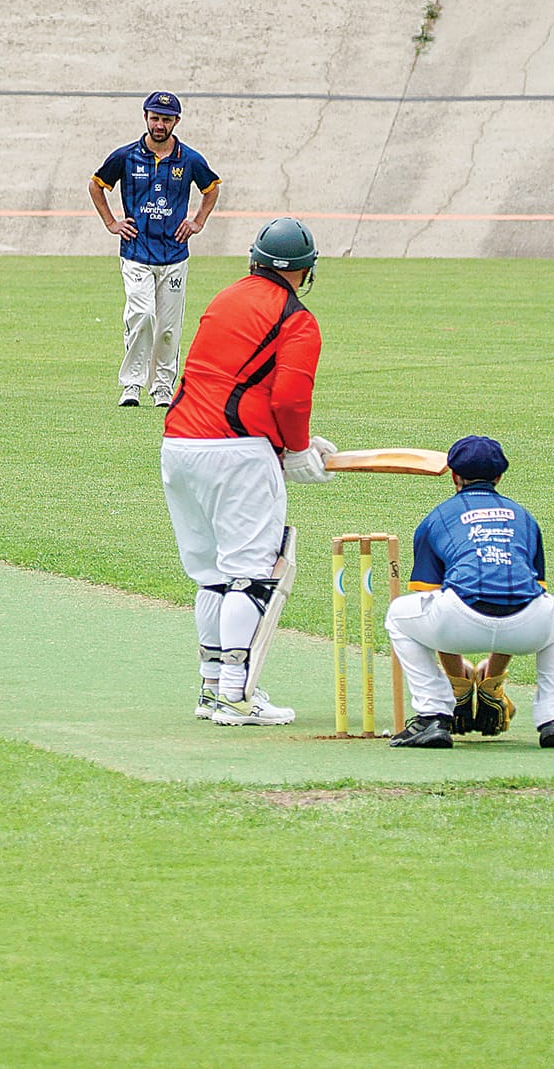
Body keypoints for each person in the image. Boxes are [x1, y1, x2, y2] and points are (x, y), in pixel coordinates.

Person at [161, 217, 338, 726]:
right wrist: (297, 450)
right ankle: (235, 694)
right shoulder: (297, 319)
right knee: (254, 574)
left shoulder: (225, 298)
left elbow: (230, 380)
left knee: (213, 576)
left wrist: (284, 447)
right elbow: (289, 395)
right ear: (304, 271)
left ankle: (213, 686)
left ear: (254, 260)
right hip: (236, 452)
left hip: (178, 445)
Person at [383, 436, 554, 750]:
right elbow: (519, 594)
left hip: (457, 624)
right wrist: (492, 681)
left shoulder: (436, 518)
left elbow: (435, 595)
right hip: (527, 627)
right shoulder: (524, 517)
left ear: (454, 476)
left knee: (400, 614)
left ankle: (434, 715)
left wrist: (459, 682)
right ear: (499, 477)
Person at [90, 90, 221, 407]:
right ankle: (131, 385)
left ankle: (162, 387)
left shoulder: (189, 159)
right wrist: (112, 223)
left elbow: (212, 188)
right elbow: (96, 185)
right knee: (142, 315)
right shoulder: (125, 156)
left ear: (176, 121)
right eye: (154, 118)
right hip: (136, 252)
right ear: (145, 117)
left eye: (165, 119)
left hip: (174, 254)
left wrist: (197, 222)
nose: (159, 124)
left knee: (168, 327)